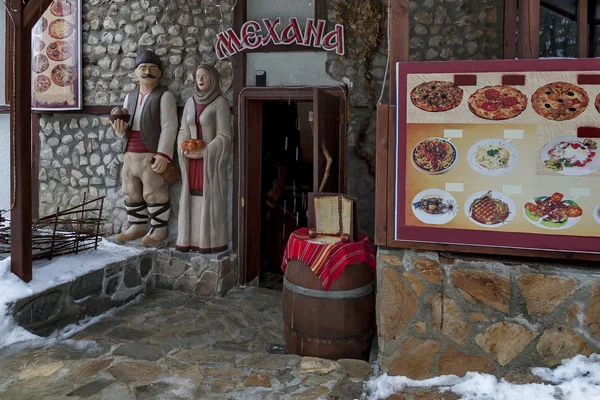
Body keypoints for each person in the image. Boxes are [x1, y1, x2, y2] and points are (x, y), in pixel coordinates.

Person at [110, 50, 178, 246]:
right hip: (130, 153)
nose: (147, 71)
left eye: (152, 68)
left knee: (153, 191)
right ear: (135, 72)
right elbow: (124, 125)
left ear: (160, 73)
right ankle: (137, 224)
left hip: (151, 154)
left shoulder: (164, 96)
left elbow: (169, 126)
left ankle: (158, 227)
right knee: (130, 190)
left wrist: (164, 154)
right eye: (143, 68)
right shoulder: (129, 97)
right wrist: (120, 131)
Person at [176, 64, 232, 253]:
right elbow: (183, 130)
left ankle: (209, 241)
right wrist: (183, 147)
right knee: (191, 197)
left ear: (213, 79)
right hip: (191, 162)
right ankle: (189, 240)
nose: (200, 80)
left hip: (211, 165)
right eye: (198, 76)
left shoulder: (220, 103)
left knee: (209, 199)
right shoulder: (190, 102)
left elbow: (225, 135)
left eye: (205, 76)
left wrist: (206, 151)